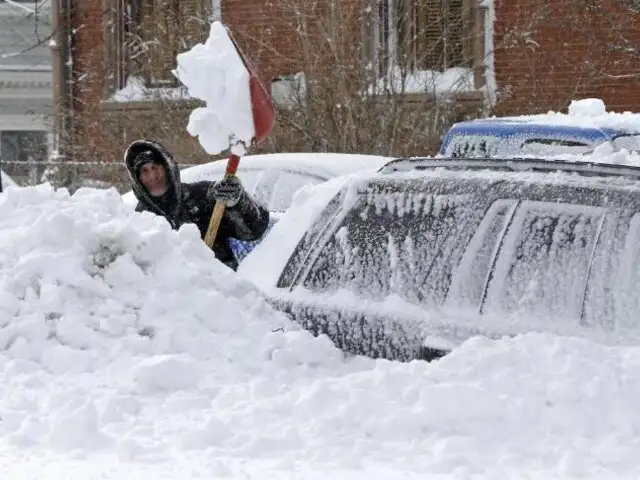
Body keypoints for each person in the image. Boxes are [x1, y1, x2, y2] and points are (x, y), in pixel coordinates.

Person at [124, 139, 270, 271]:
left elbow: (254, 230)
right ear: (138, 179)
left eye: (155, 167)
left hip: (219, 293)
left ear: (167, 168)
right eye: (144, 171)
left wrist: (238, 203)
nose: (152, 176)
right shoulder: (139, 220)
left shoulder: (204, 195)